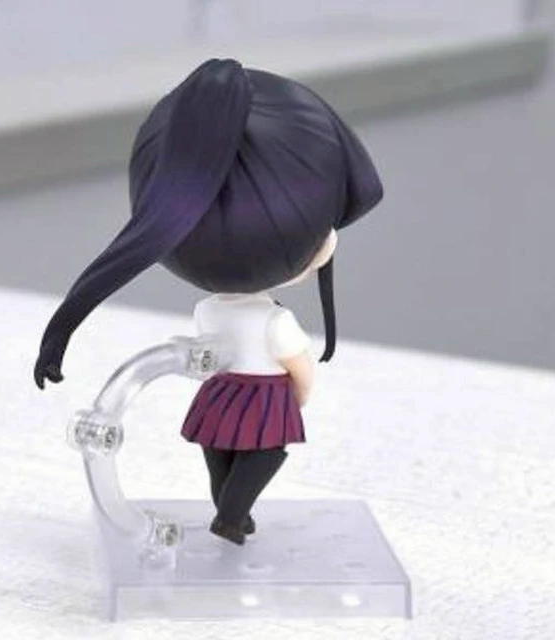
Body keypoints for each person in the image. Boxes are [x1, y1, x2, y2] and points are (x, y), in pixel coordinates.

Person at [34, 58, 383, 545]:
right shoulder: (275, 323)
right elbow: (299, 369)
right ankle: (232, 515)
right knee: (264, 453)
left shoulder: (208, 311)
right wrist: (299, 398)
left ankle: (229, 508)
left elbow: (207, 353)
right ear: (320, 244)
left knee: (219, 447)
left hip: (221, 396)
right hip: (264, 399)